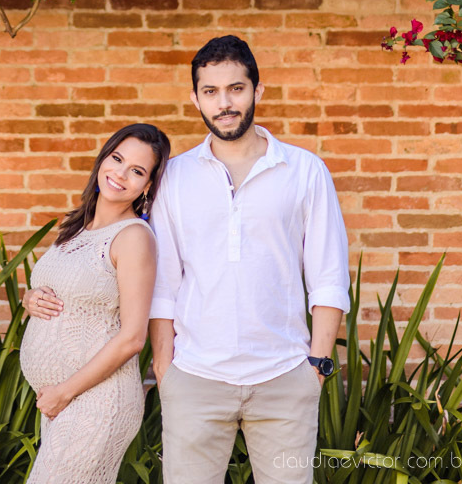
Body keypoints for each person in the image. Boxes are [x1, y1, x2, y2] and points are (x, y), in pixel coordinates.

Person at [149, 35, 350, 484]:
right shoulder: (174, 177)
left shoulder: (304, 170)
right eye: (211, 92)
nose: (224, 103)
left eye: (236, 89)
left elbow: (329, 276)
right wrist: (165, 369)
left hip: (284, 376)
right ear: (195, 99)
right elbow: (163, 284)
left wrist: (317, 366)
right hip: (195, 376)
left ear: (258, 91)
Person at [19, 122, 171, 484]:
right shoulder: (78, 227)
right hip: (65, 402)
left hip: (96, 402)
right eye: (116, 158)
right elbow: (71, 292)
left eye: (136, 171)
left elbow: (133, 337)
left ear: (147, 185)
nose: (120, 174)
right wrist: (30, 299)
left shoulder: (133, 237)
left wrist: (63, 393)